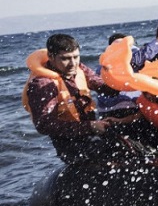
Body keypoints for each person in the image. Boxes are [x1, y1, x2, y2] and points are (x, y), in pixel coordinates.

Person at [22, 34, 130, 165]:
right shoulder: (43, 85)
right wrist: (90, 127)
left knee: (129, 140)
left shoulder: (78, 69)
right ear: (51, 57)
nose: (72, 63)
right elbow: (44, 125)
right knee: (112, 153)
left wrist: (121, 80)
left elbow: (103, 87)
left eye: (76, 57)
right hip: (70, 145)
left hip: (93, 132)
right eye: (65, 59)